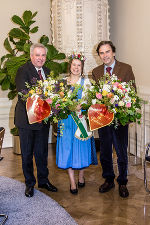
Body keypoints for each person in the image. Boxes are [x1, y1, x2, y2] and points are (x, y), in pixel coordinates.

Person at [92, 41, 136, 198]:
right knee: (104, 151)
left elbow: (133, 93)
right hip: (103, 120)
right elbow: (95, 97)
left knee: (121, 152)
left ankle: (122, 181)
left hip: (120, 119)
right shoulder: (96, 72)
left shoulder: (126, 68)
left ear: (114, 52)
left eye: (107, 52)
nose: (105, 55)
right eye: (102, 53)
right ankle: (109, 179)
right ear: (99, 55)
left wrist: (125, 111)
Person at [15, 43, 57, 197]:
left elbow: (53, 92)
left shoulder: (47, 71)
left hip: (42, 121)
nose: (40, 58)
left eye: (43, 55)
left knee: (42, 152)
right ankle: (30, 184)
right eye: (37, 55)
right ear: (31, 56)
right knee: (27, 154)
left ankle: (44, 180)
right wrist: (45, 100)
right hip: (26, 121)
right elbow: (23, 94)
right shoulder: (23, 70)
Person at [56, 53, 98, 194]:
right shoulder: (62, 82)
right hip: (66, 120)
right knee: (67, 148)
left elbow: (89, 100)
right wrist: (64, 105)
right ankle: (72, 182)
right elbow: (56, 101)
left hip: (80, 119)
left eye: (79, 65)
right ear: (70, 66)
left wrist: (81, 106)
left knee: (81, 148)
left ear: (82, 67)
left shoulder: (85, 82)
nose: (76, 67)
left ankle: (81, 176)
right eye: (74, 64)